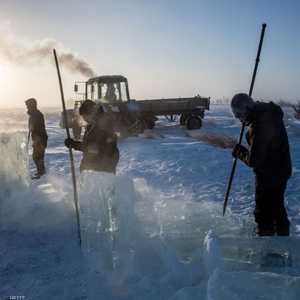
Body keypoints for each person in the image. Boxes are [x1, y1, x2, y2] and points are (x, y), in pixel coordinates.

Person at [231, 93, 292, 236]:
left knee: (264, 210)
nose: (239, 119)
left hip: (269, 174)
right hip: (281, 169)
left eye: (239, 115)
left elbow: (254, 160)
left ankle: (266, 238)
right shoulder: (268, 113)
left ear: (246, 110)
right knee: (277, 206)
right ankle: (282, 238)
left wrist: (238, 150)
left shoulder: (259, 125)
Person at [64, 100, 119, 174]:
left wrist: (74, 144)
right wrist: (73, 144)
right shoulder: (91, 126)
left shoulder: (103, 125)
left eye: (85, 116)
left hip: (101, 170)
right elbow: (89, 146)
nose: (84, 119)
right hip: (94, 170)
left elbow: (93, 148)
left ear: (91, 113)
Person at [25, 98, 48, 179]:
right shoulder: (34, 114)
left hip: (40, 139)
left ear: (32, 105)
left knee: (37, 157)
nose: (27, 108)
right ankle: (41, 172)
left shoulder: (37, 115)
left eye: (28, 106)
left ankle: (41, 173)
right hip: (38, 139)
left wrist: (37, 140)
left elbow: (38, 128)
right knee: (37, 157)